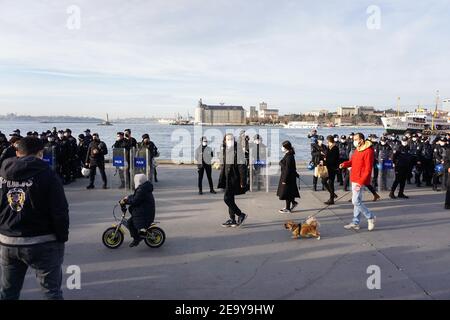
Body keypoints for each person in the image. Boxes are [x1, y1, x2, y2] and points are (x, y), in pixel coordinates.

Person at [0, 137, 69, 300]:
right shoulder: (47, 175)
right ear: (40, 153)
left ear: (17, 152)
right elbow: (60, 210)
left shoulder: (2, 174)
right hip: (42, 240)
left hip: (8, 240)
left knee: (8, 291)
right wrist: (62, 237)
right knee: (51, 292)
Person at [340, 133, 376, 231]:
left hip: (360, 179)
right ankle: (356, 222)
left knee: (355, 201)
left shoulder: (368, 151)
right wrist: (345, 164)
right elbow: (353, 161)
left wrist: (361, 182)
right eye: (353, 139)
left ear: (361, 140)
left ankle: (370, 217)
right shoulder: (358, 149)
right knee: (357, 201)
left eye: (356, 139)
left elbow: (368, 169)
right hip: (354, 177)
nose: (354, 141)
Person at [217, 134, 248, 228]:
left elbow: (242, 167)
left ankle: (241, 214)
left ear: (234, 140)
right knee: (230, 199)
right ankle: (232, 219)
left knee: (227, 199)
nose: (229, 140)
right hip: (227, 178)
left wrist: (243, 181)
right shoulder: (225, 149)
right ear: (225, 140)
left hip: (234, 179)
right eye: (227, 139)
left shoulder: (237, 151)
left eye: (231, 139)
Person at [120, 174, 155, 247]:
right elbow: (136, 197)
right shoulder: (143, 188)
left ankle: (137, 239)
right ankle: (137, 237)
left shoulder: (142, 190)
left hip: (144, 213)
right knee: (130, 222)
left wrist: (126, 201)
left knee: (130, 223)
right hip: (144, 210)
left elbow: (135, 201)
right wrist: (128, 197)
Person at [277, 141, 300, 213]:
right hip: (290, 176)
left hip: (288, 177)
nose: (282, 148)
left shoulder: (289, 156)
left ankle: (287, 208)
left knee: (287, 192)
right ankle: (293, 203)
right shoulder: (288, 154)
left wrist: (284, 180)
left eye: (283, 147)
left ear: (286, 147)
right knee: (290, 192)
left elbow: (288, 169)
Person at [322, 135, 339, 205]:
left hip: (332, 168)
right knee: (325, 181)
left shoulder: (335, 148)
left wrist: (325, 160)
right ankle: (332, 195)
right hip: (329, 168)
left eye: (327, 141)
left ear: (329, 141)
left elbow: (332, 159)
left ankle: (332, 198)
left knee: (330, 183)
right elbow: (328, 156)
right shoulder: (329, 147)